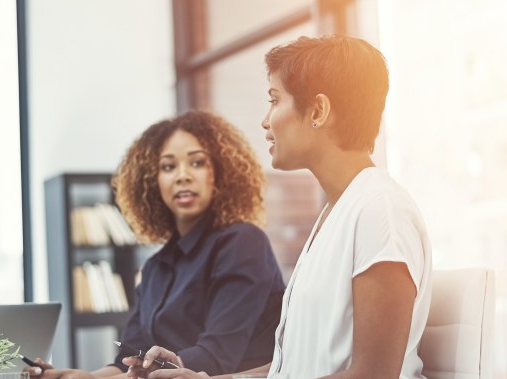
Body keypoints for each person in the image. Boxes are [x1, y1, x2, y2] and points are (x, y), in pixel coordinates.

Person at [129, 35, 433, 379]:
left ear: (318, 111)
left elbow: (373, 376)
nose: (265, 121)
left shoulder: (380, 211)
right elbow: (289, 369)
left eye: (275, 100)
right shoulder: (336, 214)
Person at [26, 110, 284, 379]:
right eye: (168, 167)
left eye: (197, 163)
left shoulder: (242, 243)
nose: (182, 176)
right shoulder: (154, 268)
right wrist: (82, 377)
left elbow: (216, 356)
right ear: (152, 181)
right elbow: (129, 361)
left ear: (218, 173)